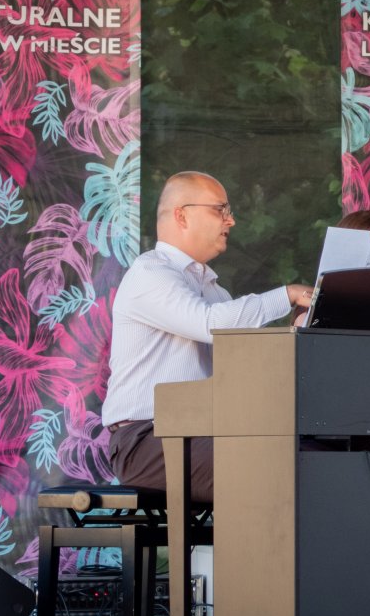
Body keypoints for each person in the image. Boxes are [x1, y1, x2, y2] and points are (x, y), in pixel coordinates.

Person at [101, 172, 314, 503]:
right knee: (272, 461)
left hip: (201, 435)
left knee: (303, 452)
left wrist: (297, 328)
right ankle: (249, 554)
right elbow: (210, 323)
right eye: (220, 209)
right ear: (182, 215)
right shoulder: (149, 273)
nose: (231, 219)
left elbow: (244, 364)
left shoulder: (214, 290)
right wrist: (286, 294)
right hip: (145, 440)